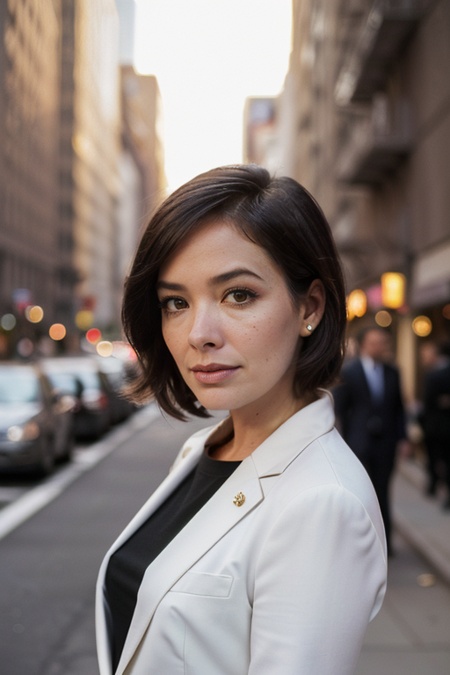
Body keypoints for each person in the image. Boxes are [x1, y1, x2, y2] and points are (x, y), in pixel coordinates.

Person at [95, 165, 387, 675]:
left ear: (309, 307)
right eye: (176, 303)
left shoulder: (324, 504)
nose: (199, 334)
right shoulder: (203, 449)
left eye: (238, 295)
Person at [333, 326, 408, 554]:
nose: (380, 347)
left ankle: (385, 544)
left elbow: (398, 408)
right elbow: (339, 408)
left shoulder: (393, 372)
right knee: (361, 494)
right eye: (375, 342)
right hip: (358, 443)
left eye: (383, 342)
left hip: (386, 443)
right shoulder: (350, 371)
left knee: (383, 491)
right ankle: (360, 545)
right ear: (364, 344)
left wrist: (403, 438)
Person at [422, 340, 450, 508]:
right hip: (437, 425)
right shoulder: (433, 373)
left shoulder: (434, 375)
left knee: (438, 458)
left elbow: (429, 402)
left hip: (436, 426)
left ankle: (435, 485)